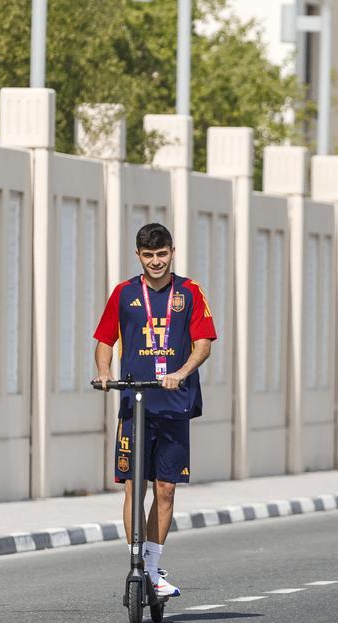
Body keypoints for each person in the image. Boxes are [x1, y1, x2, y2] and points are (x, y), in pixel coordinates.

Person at [92, 222, 217, 598]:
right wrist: (104, 371)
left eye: (162, 254)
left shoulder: (189, 292)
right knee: (134, 486)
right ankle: (136, 562)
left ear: (172, 252)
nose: (156, 261)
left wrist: (181, 373)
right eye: (148, 255)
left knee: (166, 489)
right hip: (136, 404)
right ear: (138, 256)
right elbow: (104, 340)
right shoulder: (124, 293)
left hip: (174, 405)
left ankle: (152, 566)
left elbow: (204, 342)